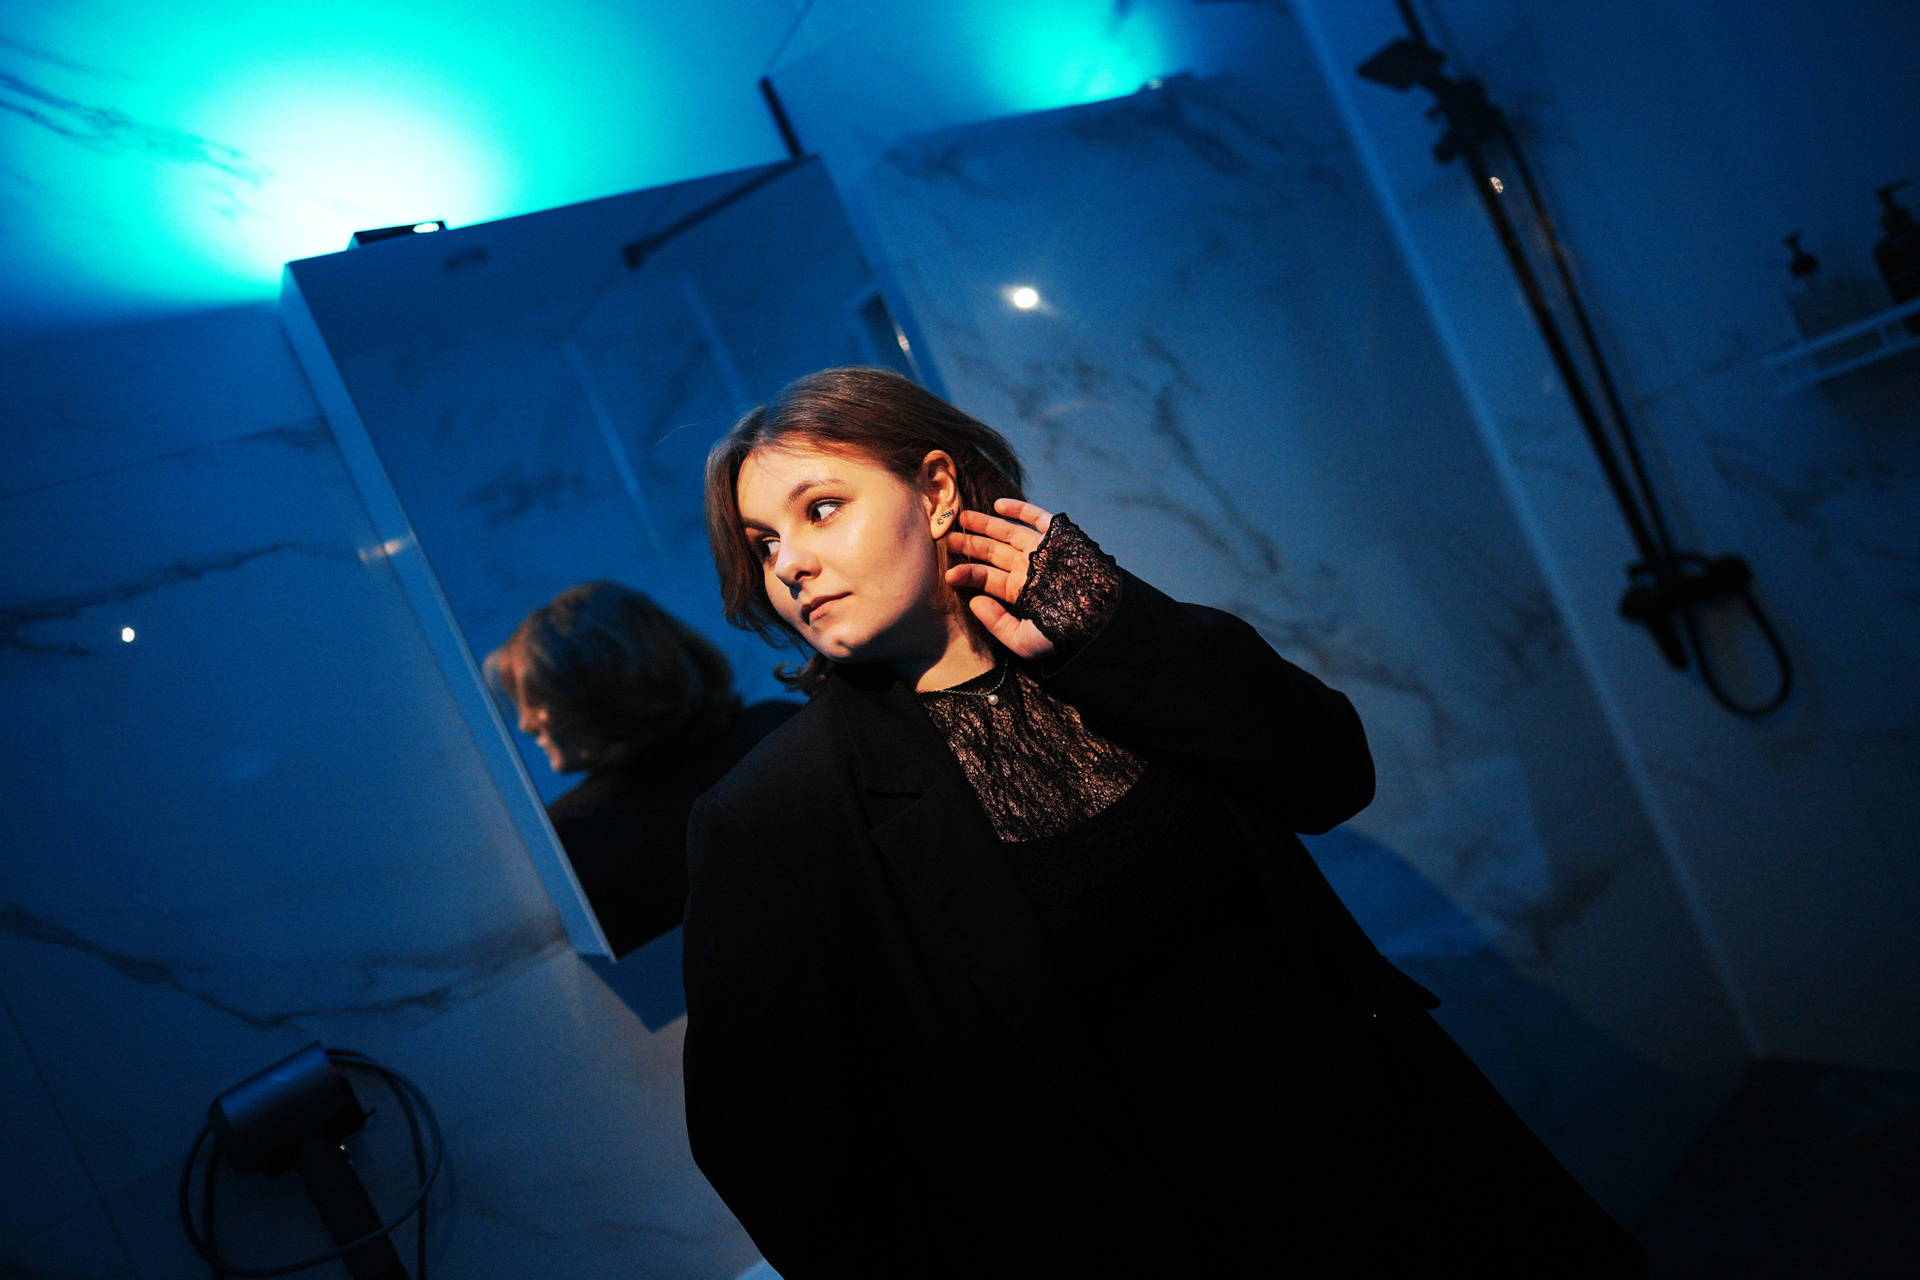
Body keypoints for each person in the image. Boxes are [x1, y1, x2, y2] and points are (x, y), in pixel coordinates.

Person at [681, 367, 1647, 1277]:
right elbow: (781, 1161)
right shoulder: (771, 815)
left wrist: (1114, 623)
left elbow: (1331, 777)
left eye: (820, 509)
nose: (790, 564)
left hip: (1395, 1156)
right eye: (763, 545)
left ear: (935, 491)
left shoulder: (1103, 651)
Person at [486, 582, 797, 958]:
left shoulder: (571, 839)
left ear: (603, 687)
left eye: (539, 697)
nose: (525, 724)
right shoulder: (783, 729)